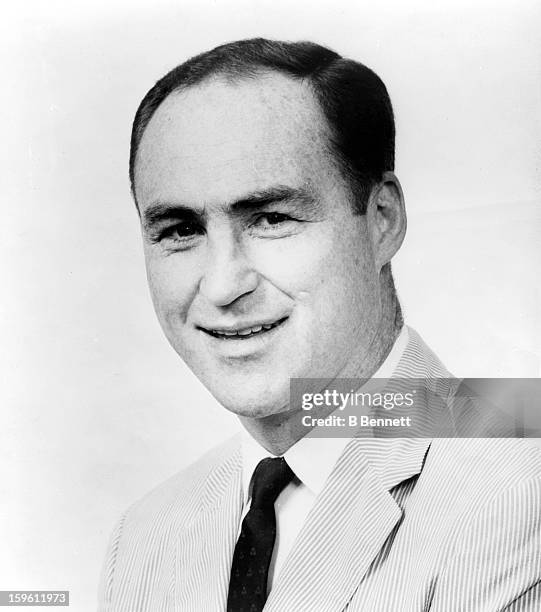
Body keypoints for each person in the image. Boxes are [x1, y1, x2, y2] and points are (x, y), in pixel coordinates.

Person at [98, 38, 541, 611]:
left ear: (381, 219)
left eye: (271, 218)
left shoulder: (520, 489)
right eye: (180, 230)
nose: (222, 285)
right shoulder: (144, 539)